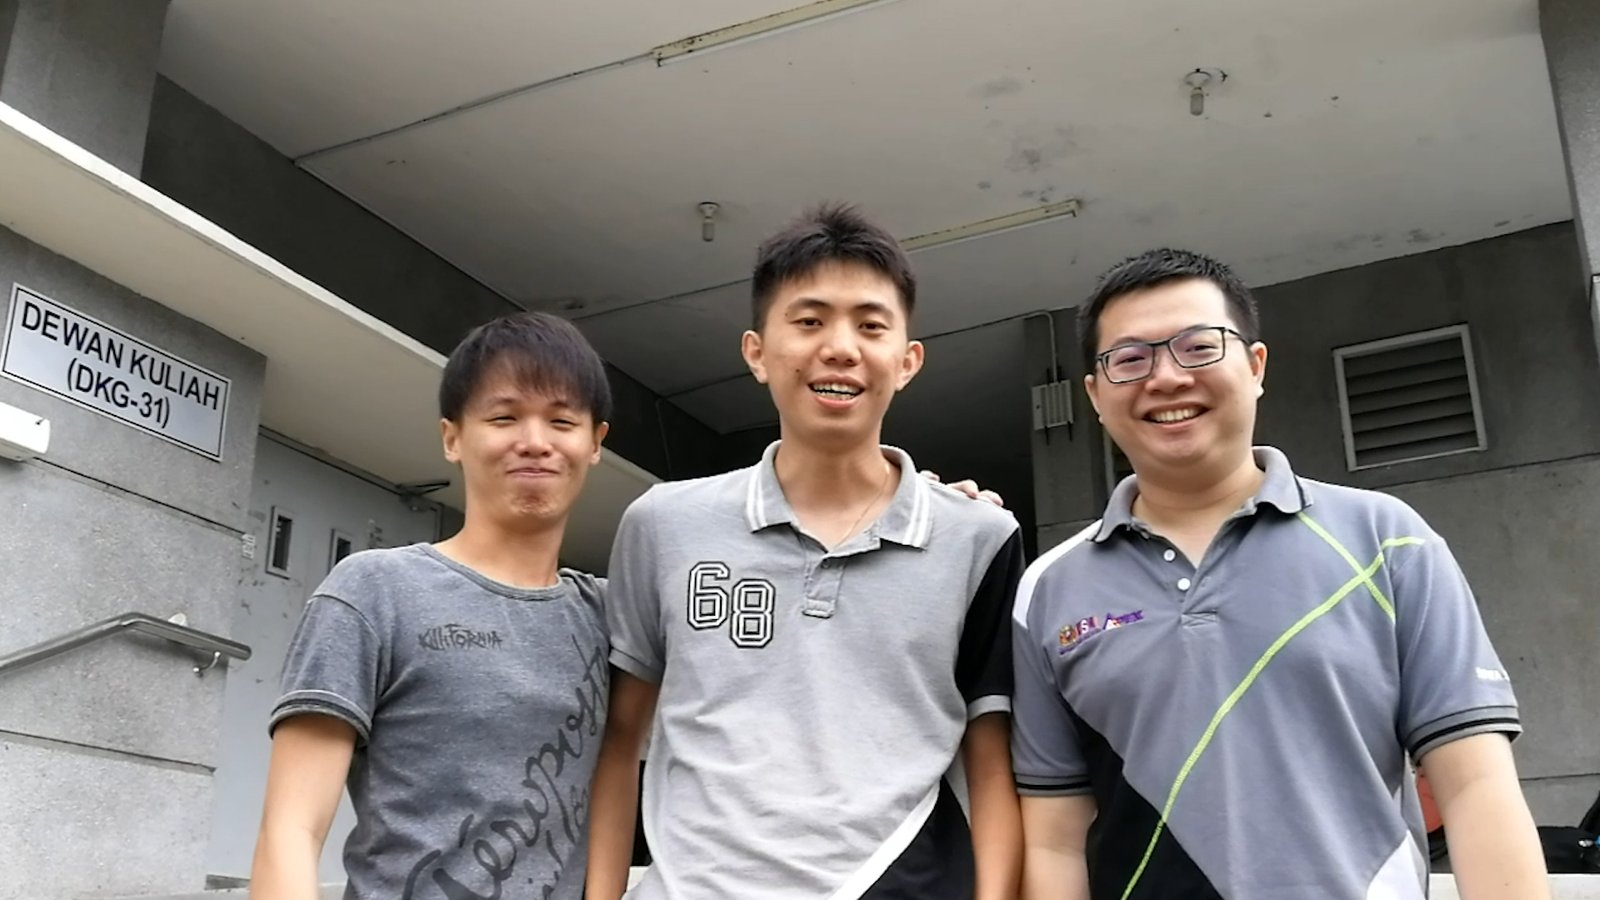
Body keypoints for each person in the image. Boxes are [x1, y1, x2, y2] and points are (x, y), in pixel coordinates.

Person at [1010, 248, 1549, 899]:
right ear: (1095, 395)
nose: (1167, 377)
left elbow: (1475, 786)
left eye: (1198, 347)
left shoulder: (1387, 541)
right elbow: (1055, 838)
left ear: (1255, 366)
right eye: (1129, 359)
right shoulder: (1048, 591)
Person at [587, 203, 1026, 899]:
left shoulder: (979, 538)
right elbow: (619, 739)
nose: (841, 348)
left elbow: (991, 759)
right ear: (756, 352)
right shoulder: (662, 524)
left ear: (907, 360)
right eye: (810, 320)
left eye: (871, 325)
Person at [249, 312, 612, 900]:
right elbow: (290, 829)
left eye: (562, 421)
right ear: (452, 437)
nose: (535, 441)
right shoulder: (374, 591)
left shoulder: (609, 618)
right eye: (504, 417)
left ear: (595, 443)